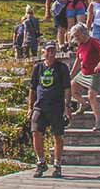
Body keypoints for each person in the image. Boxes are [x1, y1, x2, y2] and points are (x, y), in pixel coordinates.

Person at [26, 42, 72, 177]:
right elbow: (32, 88)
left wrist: (67, 107)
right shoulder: (38, 67)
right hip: (40, 106)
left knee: (58, 135)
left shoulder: (61, 68)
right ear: (44, 52)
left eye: (53, 51)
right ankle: (41, 162)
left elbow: (67, 88)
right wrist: (30, 107)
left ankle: (57, 165)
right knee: (35, 132)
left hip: (56, 107)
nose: (51, 54)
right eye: (48, 51)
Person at [69, 24, 100, 130]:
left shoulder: (93, 41)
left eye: (77, 35)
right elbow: (78, 60)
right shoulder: (80, 45)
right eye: (74, 36)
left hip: (96, 73)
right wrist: (71, 74)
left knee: (91, 95)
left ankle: (98, 121)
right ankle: (83, 104)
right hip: (84, 72)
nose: (76, 38)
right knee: (72, 87)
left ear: (83, 33)